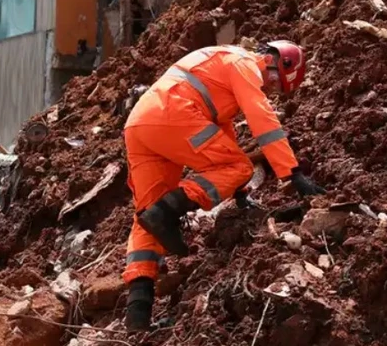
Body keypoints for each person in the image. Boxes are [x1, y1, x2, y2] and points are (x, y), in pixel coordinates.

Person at [121, 41, 326, 331]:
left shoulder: (219, 70)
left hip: (142, 124)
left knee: (146, 218)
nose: (269, 89)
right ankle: (167, 211)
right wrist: (291, 173)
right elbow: (262, 119)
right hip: (172, 112)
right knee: (239, 167)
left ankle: (137, 319)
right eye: (275, 81)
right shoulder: (243, 64)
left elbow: (223, 140)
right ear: (272, 59)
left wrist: (239, 193)